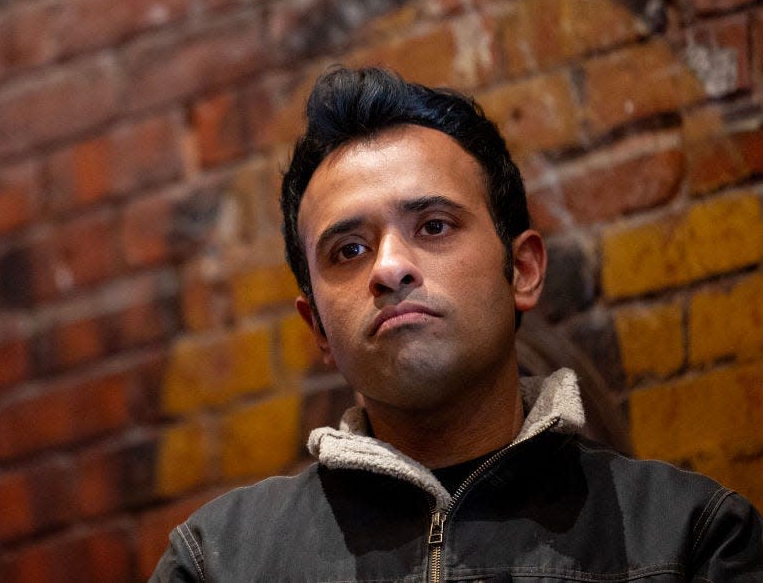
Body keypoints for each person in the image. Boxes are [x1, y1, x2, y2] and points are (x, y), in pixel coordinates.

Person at [151, 67, 763, 582]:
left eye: (434, 226)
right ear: (317, 328)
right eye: (349, 251)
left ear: (521, 269)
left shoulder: (691, 539)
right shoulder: (218, 563)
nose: (390, 268)